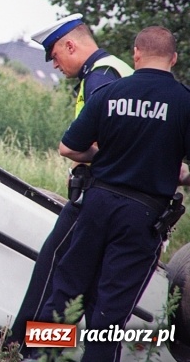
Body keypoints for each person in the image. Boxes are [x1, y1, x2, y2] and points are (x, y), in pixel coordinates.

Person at [35, 26, 190, 360]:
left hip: (96, 206)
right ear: (174, 58)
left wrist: (103, 157)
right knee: (110, 310)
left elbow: (69, 148)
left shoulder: (110, 91)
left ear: (136, 54)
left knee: (65, 292)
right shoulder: (184, 103)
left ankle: (41, 357)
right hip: (143, 217)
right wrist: (180, 174)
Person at [10, 13, 133, 346]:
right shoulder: (114, 70)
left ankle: (27, 347)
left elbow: (110, 141)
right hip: (121, 201)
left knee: (55, 274)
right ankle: (46, 348)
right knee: (85, 289)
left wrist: (80, 154)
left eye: (54, 55)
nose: (54, 65)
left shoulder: (101, 77)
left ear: (70, 44)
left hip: (97, 197)